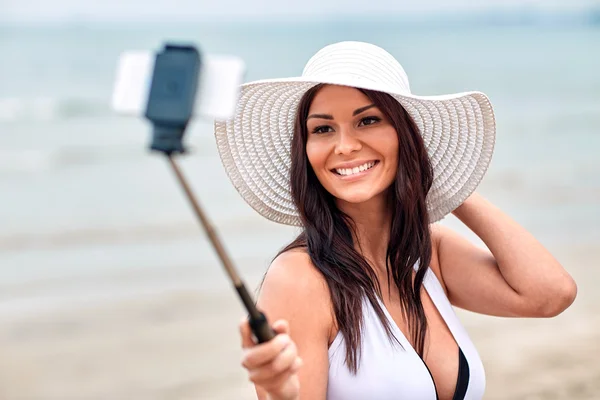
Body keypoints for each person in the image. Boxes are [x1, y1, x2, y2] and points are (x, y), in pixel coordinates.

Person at [213, 41, 577, 400]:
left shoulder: (427, 253)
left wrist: (444, 180)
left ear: (406, 137)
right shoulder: (301, 278)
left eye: (368, 120)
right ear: (305, 150)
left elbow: (549, 295)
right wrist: (280, 393)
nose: (344, 146)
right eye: (323, 129)